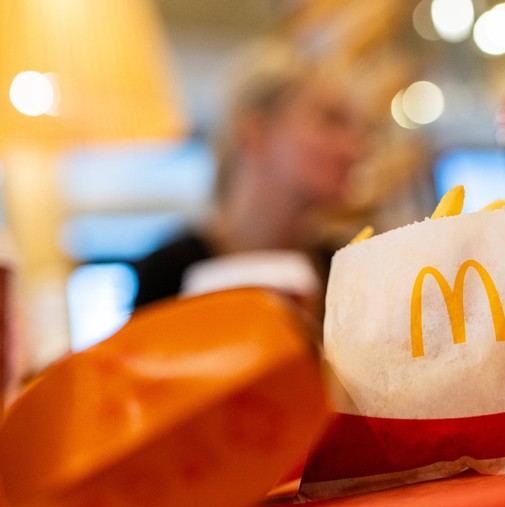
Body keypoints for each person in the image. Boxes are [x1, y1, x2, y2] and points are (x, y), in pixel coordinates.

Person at [131, 35, 366, 315]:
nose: (355, 149)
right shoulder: (168, 273)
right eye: (331, 121)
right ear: (254, 133)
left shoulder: (346, 269)